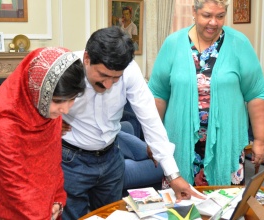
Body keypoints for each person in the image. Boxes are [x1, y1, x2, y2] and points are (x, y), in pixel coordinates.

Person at [61, 26, 203, 220]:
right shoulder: (65, 68)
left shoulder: (129, 69)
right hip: (71, 160)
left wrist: (173, 176)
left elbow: (150, 117)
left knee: (110, 215)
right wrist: (50, 123)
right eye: (103, 75)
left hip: (111, 158)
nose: (108, 84)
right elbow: (29, 103)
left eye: (115, 78)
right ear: (87, 58)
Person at [148, 0, 264, 187]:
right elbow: (158, 94)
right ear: (194, 12)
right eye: (207, 15)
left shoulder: (239, 43)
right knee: (180, 209)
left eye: (220, 16)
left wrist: (260, 141)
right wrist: (153, 139)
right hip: (179, 141)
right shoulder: (173, 43)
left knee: (225, 206)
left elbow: (256, 93)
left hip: (226, 142)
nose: (214, 22)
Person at [0, 47, 86, 220]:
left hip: (43, 209)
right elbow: (15, 190)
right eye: (58, 101)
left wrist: (57, 200)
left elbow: (53, 165)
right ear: (36, 91)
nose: (65, 109)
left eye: (72, 99)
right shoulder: (1, 126)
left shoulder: (46, 111)